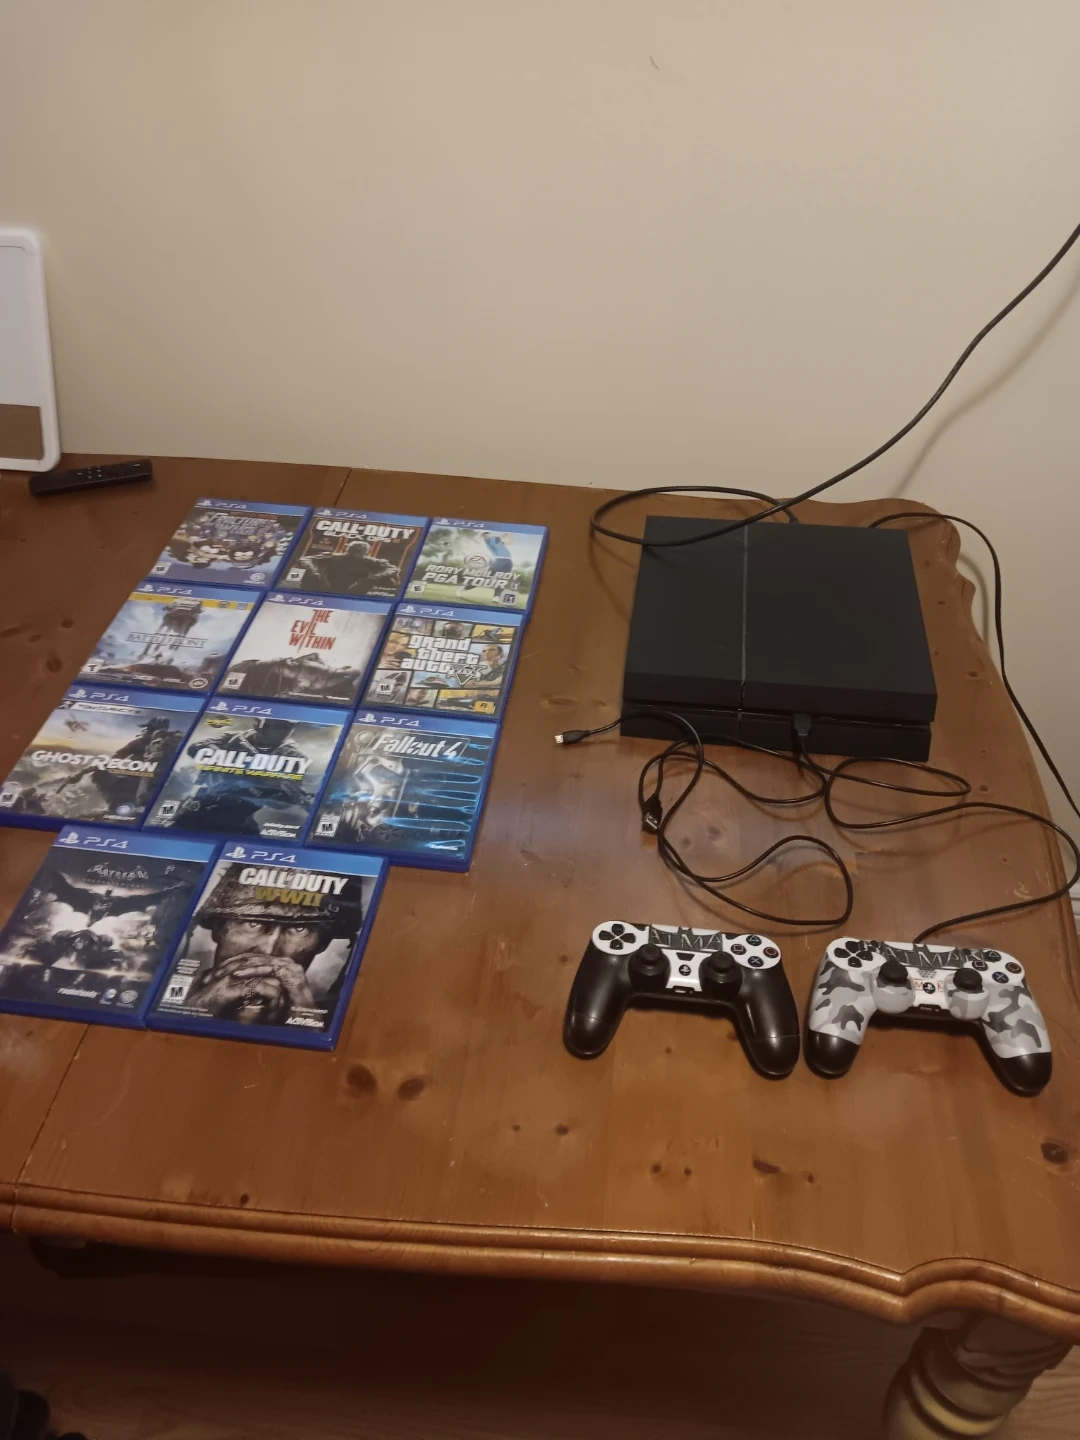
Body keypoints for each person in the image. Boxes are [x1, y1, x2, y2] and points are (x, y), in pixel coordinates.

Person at [182, 868, 367, 1026]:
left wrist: (308, 1022)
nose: (269, 951)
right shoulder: (171, 990)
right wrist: (192, 1013)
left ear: (323, 943)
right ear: (218, 929)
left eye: (299, 929)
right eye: (252, 923)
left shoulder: (340, 1018)